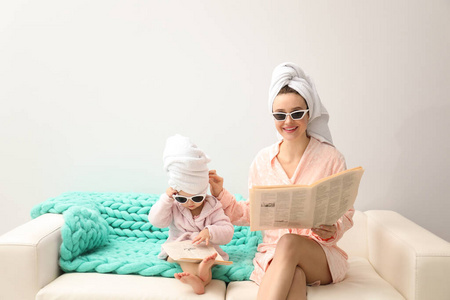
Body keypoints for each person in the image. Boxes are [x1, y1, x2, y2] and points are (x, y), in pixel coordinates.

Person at [208, 62, 354, 300]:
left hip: (320, 255)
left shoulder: (331, 158)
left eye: (297, 113)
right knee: (293, 275)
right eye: (280, 115)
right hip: (274, 256)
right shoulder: (262, 161)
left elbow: (345, 213)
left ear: (309, 114)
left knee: (289, 243)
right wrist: (220, 193)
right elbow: (252, 213)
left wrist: (332, 228)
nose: (288, 121)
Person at [149, 134, 234, 295]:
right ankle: (200, 277)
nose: (190, 202)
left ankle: (201, 277)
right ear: (175, 194)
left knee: (209, 258)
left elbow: (228, 231)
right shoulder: (173, 205)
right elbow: (156, 221)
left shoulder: (212, 206)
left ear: (204, 191)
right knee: (181, 259)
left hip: (206, 249)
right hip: (179, 248)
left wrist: (210, 231)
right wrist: (166, 199)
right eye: (182, 198)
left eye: (196, 197)